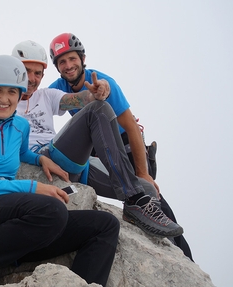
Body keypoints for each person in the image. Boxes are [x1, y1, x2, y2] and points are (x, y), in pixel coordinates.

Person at [0, 40, 184, 240]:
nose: (33, 78)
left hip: (73, 165)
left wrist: (96, 93)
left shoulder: (47, 95)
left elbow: (78, 100)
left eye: (38, 73)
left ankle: (170, 239)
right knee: (98, 111)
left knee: (146, 188)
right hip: (41, 160)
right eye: (27, 71)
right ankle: (134, 198)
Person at [0, 54, 120, 287]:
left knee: (105, 225)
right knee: (52, 210)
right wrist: (34, 187)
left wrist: (40, 159)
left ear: (20, 95)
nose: (4, 99)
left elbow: (20, 153)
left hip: (14, 229)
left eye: (12, 92)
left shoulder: (20, 126)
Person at [48, 33, 192, 260]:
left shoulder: (105, 82)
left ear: (82, 58)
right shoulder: (59, 87)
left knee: (148, 192)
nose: (68, 65)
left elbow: (131, 128)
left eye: (72, 59)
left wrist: (143, 172)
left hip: (126, 143)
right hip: (101, 145)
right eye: (62, 62)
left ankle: (180, 249)